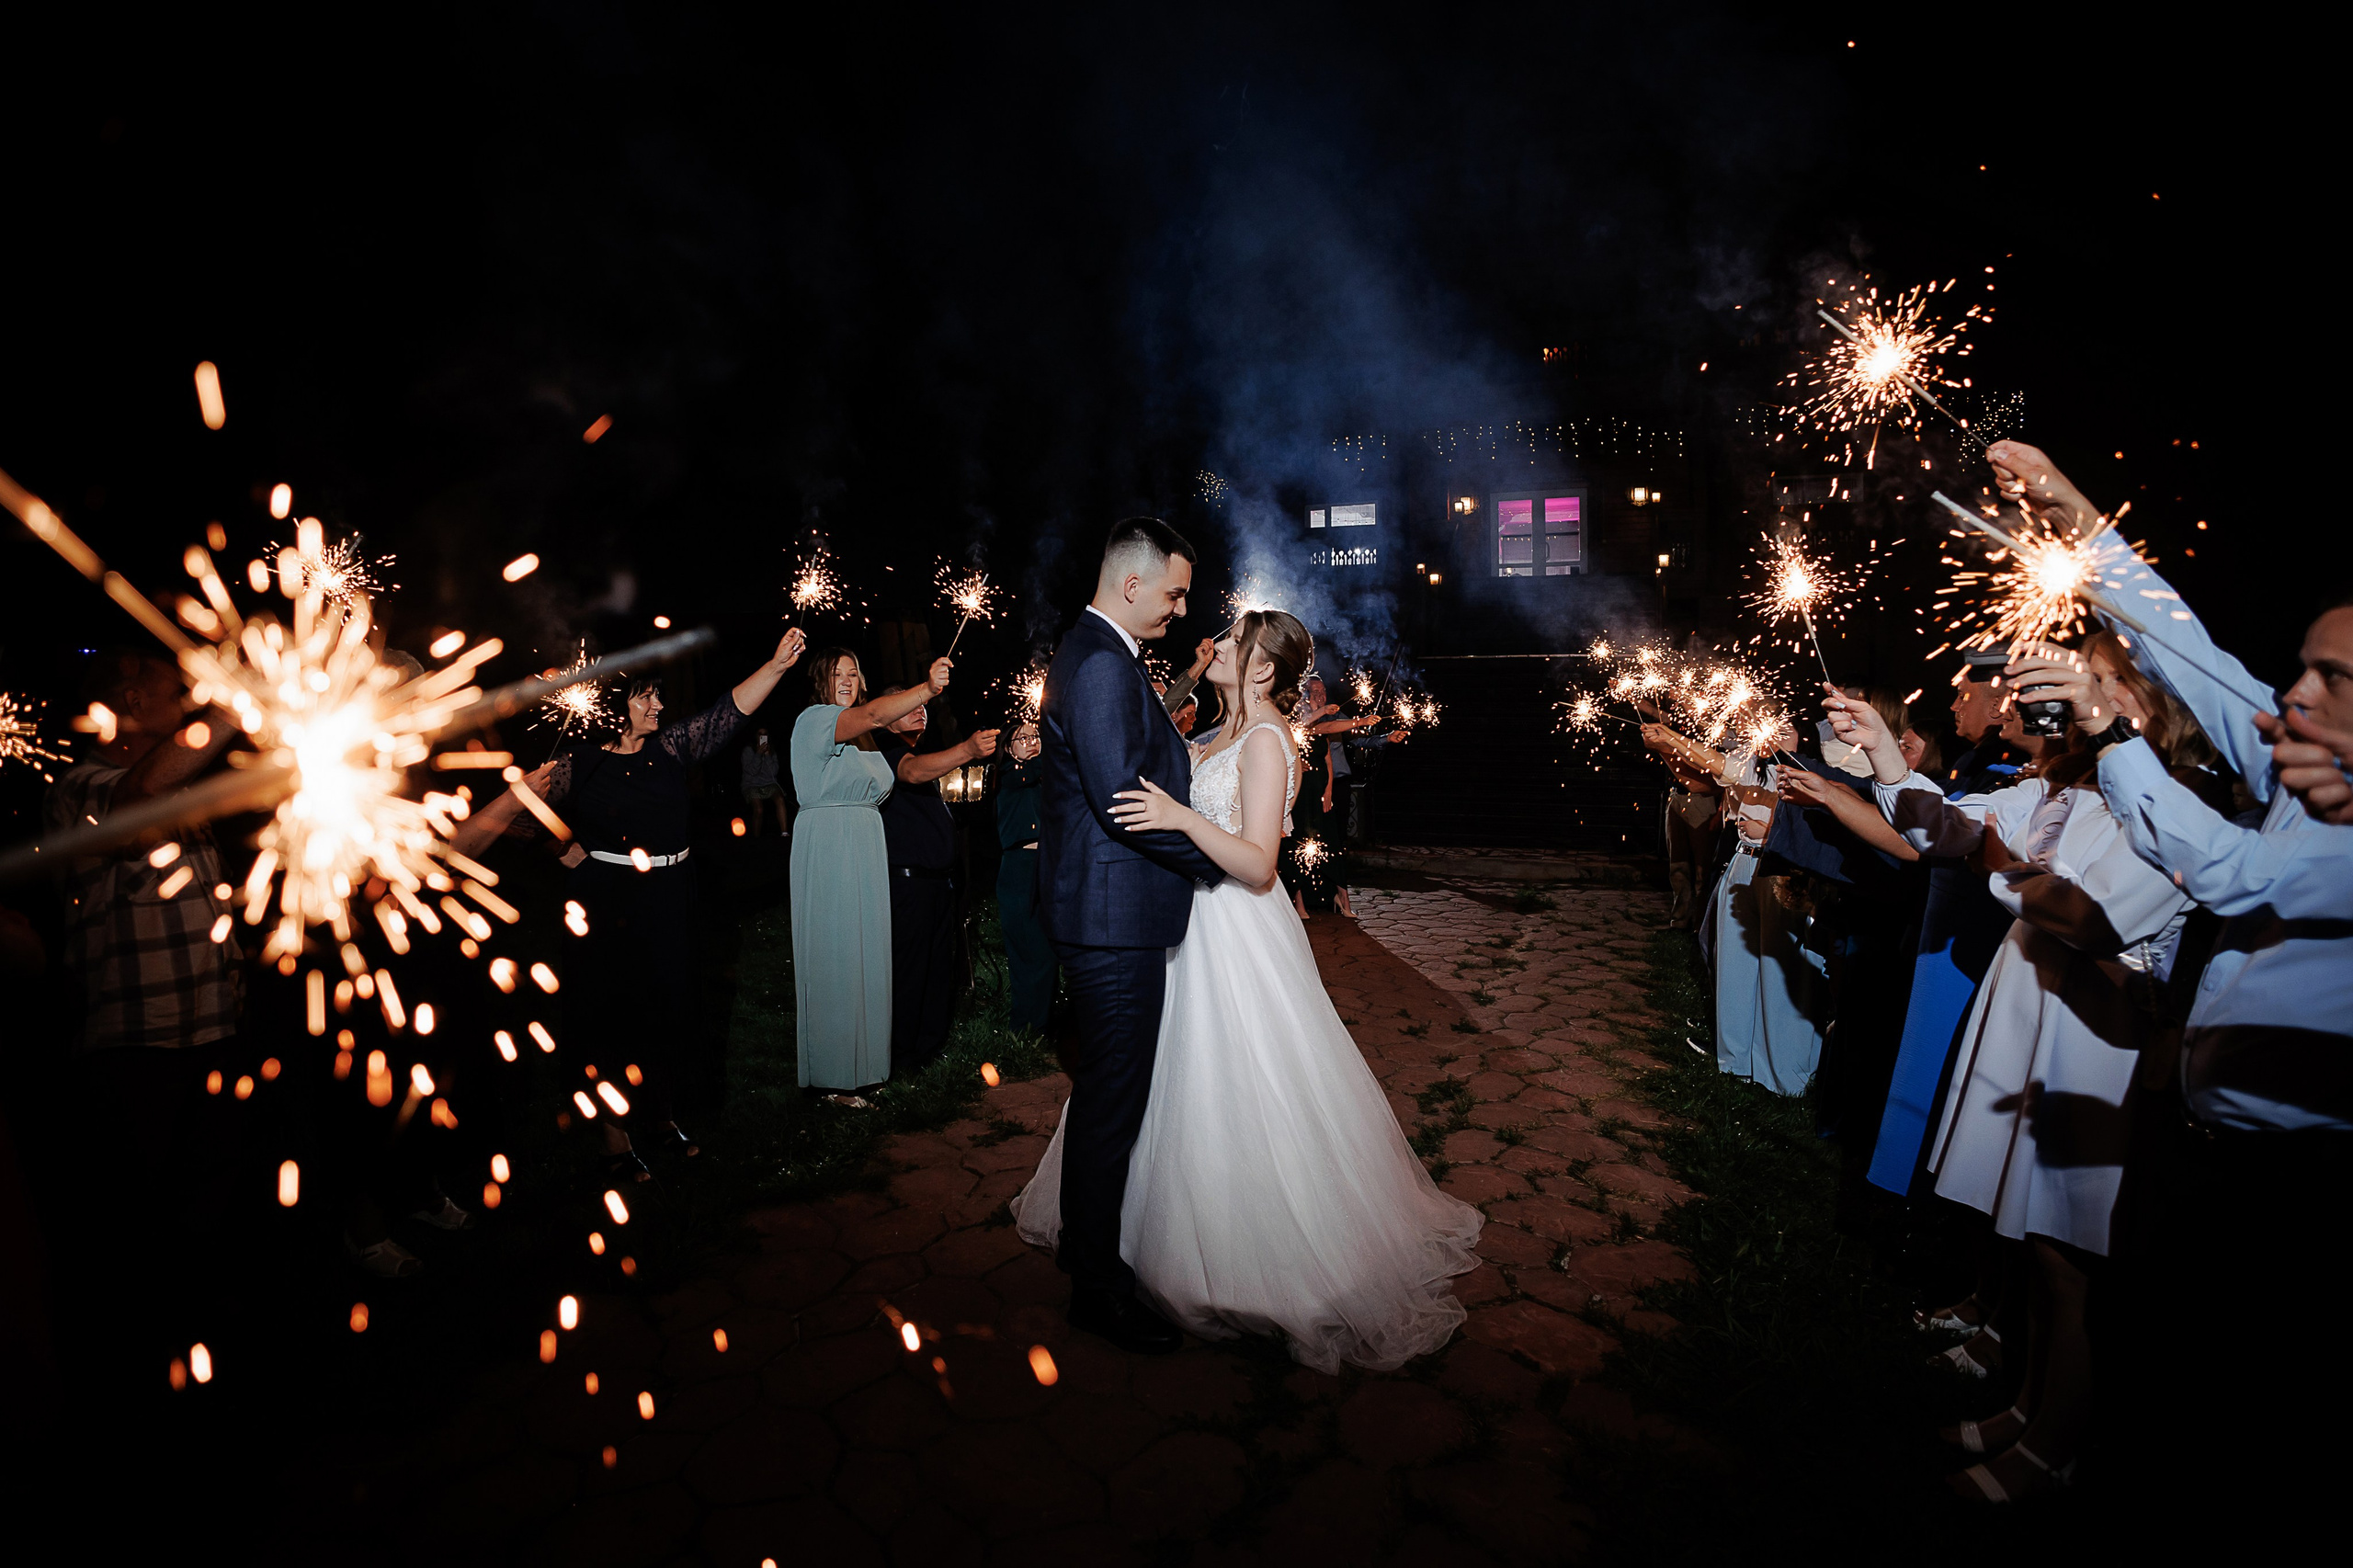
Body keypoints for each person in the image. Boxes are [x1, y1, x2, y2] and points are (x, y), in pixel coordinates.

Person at [1981, 441, 2353, 1518]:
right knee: (2140, 1362)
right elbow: (2196, 656)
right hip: (2198, 1141)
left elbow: (2233, 874)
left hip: (2294, 1188)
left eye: (2331, 678)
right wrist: (2078, 518)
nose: (2293, 692)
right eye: (2302, 666)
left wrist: (2109, 733)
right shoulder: (2299, 771)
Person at [1017, 608, 1483, 1372]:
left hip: (1235, 929)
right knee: (1159, 1081)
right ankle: (1134, 1235)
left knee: (1235, 1082)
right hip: (1184, 925)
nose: (1219, 646)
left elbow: (1260, 862)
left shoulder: (1267, 741)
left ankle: (1249, 1264)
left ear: (1264, 668)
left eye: (1234, 643)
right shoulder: (1216, 733)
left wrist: (1177, 816)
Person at [1830, 630, 2210, 1504]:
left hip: (2095, 1035)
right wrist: (1882, 748)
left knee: (2070, 1253)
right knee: (2034, 1240)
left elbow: (2092, 916)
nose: (2077, 695)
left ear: (2156, 703)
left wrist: (2003, 867)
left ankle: (2058, 1442)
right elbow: (1947, 827)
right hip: (2034, 1005)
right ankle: (2028, 1406)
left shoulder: (2178, 805)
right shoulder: (2067, 784)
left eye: (2105, 681)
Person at [458, 629, 807, 1176]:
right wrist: (560, 847)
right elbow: (517, 817)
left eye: (658, 695)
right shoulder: (580, 764)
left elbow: (728, 712)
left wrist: (777, 664)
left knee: (666, 1008)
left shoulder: (671, 749)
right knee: (611, 1014)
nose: (658, 705)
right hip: (610, 902)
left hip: (670, 897)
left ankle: (659, 1116)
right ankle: (614, 1138)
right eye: (645, 696)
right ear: (616, 707)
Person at [1017, 517, 1225, 1354]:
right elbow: (1122, 804)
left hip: (1110, 911)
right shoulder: (1102, 663)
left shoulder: (1101, 653)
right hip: (1110, 920)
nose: (1180, 609)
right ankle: (1097, 1288)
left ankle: (1087, 1251)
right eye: (1174, 593)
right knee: (1113, 1100)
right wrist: (1221, 865)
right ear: (1131, 584)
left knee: (1109, 1091)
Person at [787, 648, 953, 1103]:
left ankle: (867, 1067)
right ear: (821, 682)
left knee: (867, 959)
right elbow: (878, 713)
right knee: (835, 959)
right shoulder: (817, 720)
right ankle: (833, 1079)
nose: (846, 679)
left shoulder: (868, 739)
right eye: (836, 673)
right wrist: (927, 689)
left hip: (866, 847)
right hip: (831, 843)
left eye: (853, 672)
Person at [872, 687, 1000, 1078]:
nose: (921, 710)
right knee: (910, 971)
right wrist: (967, 750)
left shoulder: (924, 755)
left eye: (924, 706)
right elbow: (910, 772)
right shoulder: (882, 748)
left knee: (936, 971)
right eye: (910, 705)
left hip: (938, 884)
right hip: (908, 884)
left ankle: (927, 1053)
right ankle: (900, 1060)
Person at [993, 720, 1055, 1036]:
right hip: (1019, 868)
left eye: (1036, 736)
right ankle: (1022, 1029)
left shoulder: (1043, 780)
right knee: (1026, 948)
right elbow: (1026, 774)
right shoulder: (1007, 774)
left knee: (1047, 949)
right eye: (1024, 738)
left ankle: (1042, 1026)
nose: (1032, 741)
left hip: (1047, 866)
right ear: (1008, 747)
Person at [740, 727, 785, 836]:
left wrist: (768, 755)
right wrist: (758, 754)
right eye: (760, 734)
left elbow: (773, 772)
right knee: (759, 809)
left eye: (765, 734)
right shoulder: (748, 751)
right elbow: (752, 771)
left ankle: (784, 832)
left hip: (768, 783)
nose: (762, 736)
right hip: (751, 785)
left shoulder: (771, 751)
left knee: (780, 799)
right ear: (756, 736)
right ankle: (756, 838)